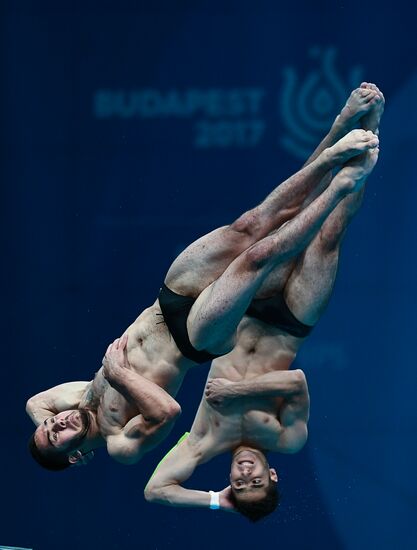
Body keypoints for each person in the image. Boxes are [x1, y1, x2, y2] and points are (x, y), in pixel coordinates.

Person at [26, 83, 383, 472]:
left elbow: (33, 405)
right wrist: (116, 373)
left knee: (251, 224)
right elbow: (167, 411)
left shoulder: (75, 399)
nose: (57, 422)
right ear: (76, 456)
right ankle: (340, 187)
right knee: (258, 257)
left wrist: (44, 431)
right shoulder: (118, 444)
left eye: (49, 425)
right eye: (56, 435)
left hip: (167, 300)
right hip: (192, 338)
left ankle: (335, 137)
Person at [144, 84, 384, 520]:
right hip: (292, 322)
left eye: (239, 486)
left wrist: (219, 502)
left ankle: (342, 124)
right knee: (329, 237)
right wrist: (236, 391)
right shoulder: (286, 440)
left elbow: (156, 491)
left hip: (250, 310)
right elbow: (296, 383)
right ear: (273, 475)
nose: (245, 475)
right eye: (256, 482)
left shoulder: (204, 439)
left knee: (292, 216)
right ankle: (370, 128)